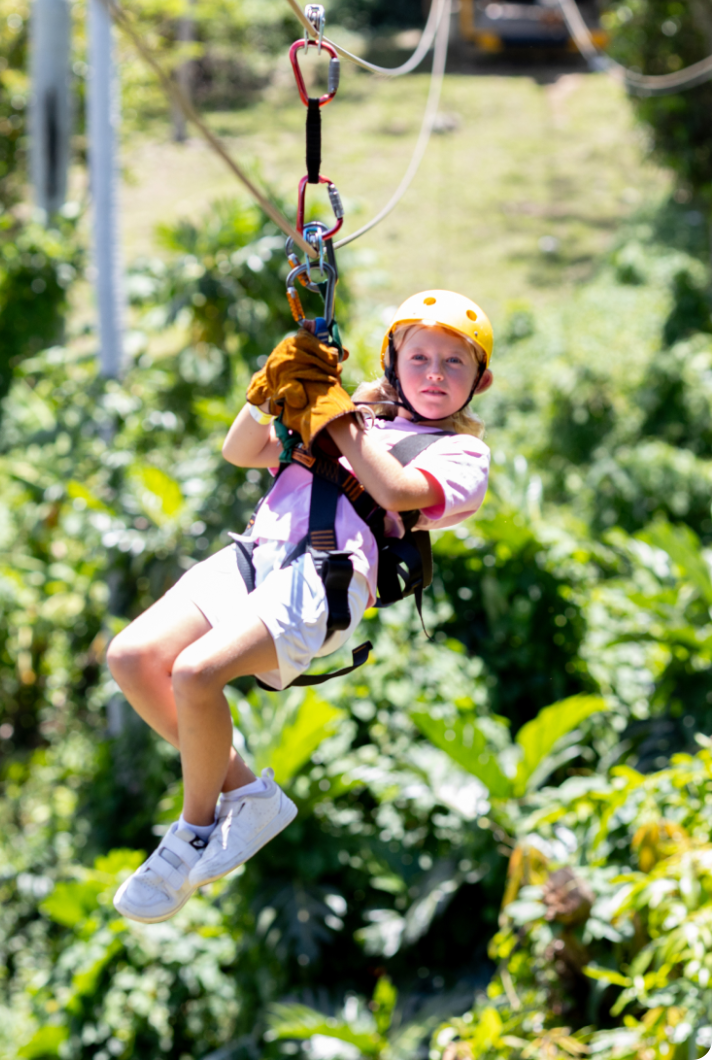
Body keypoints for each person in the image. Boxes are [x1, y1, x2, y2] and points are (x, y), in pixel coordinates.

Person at [104, 291, 494, 924]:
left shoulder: (463, 455)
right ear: (393, 361)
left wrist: (336, 411)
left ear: (480, 380)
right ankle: (246, 796)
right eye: (420, 357)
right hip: (258, 555)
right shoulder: (359, 412)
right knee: (133, 657)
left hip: (327, 574)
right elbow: (243, 450)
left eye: (454, 364)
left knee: (196, 674)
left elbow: (395, 489)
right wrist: (271, 387)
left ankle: (193, 831)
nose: (433, 375)